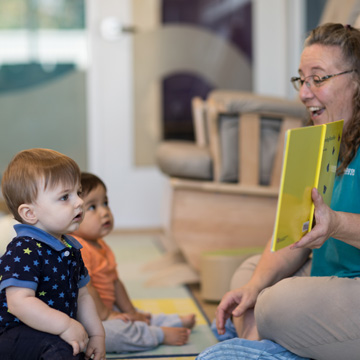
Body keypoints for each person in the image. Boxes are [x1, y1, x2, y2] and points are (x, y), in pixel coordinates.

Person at [204, 23, 360, 360]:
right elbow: (291, 233)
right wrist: (253, 287)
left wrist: (335, 225)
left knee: (276, 303)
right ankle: (270, 348)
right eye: (302, 80)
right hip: (324, 276)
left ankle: (260, 346)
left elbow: (327, 225)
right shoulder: (318, 137)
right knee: (248, 278)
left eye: (318, 78)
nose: (304, 93)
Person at [71, 172, 196, 353]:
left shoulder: (101, 246)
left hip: (106, 308)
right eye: (92, 207)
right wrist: (107, 315)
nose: (105, 211)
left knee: (130, 315)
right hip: (89, 319)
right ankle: (156, 333)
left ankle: (154, 320)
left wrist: (130, 311)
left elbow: (115, 282)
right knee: (109, 335)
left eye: (105, 203)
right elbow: (87, 289)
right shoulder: (77, 250)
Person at [0, 149, 106, 360]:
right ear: (30, 214)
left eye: (78, 192)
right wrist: (65, 325)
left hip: (51, 332)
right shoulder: (24, 249)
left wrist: (97, 334)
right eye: (65, 197)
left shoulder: (69, 248)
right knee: (60, 349)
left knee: (77, 348)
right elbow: (19, 303)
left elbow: (83, 295)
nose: (79, 202)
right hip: (13, 335)